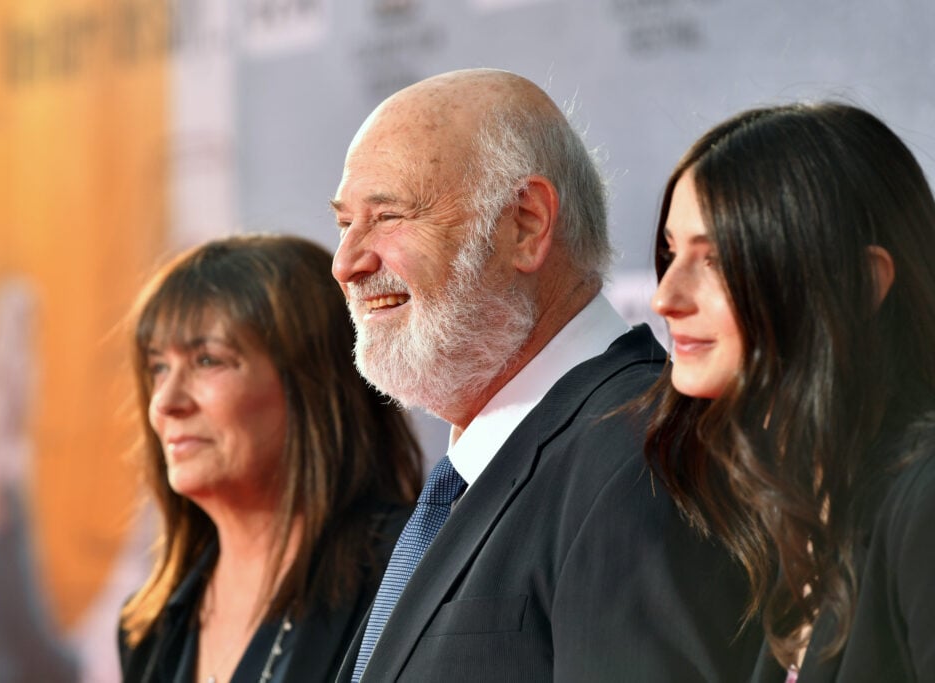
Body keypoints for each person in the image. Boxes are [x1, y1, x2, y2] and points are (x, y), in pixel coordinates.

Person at [329, 67, 761, 681]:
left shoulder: (645, 457)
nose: (347, 262)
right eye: (345, 223)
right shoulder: (475, 476)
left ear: (526, 225)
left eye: (389, 216)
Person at [645, 102, 935, 682]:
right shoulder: (805, 518)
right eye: (673, 253)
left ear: (856, 284)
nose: (666, 297)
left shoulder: (923, 500)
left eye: (719, 258)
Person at [116, 234, 423, 683]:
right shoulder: (150, 625)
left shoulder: (412, 571)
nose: (165, 402)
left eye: (207, 360)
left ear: (313, 386)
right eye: (158, 367)